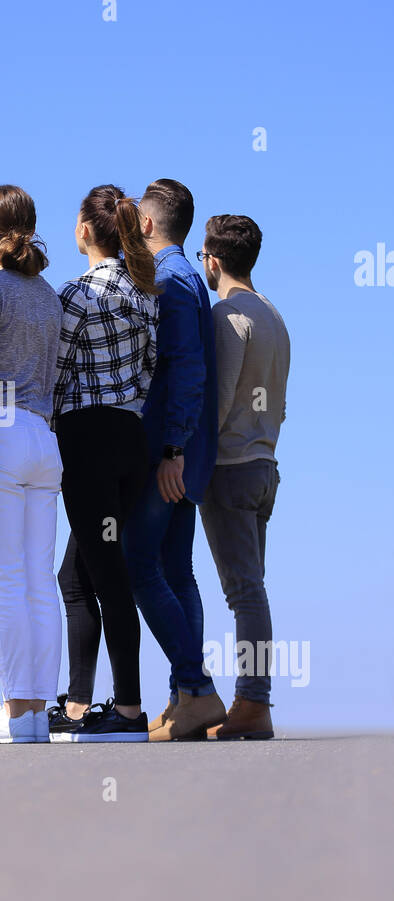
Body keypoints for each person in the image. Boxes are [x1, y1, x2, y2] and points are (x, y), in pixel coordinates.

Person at [48, 186, 158, 742]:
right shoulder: (145, 292)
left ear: (85, 231)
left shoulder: (74, 295)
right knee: (78, 574)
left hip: (87, 438)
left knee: (108, 577)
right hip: (131, 438)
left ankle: (130, 711)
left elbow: (56, 372)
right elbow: (149, 369)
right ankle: (77, 705)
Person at [121, 178, 227, 742]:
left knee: (140, 565)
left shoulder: (169, 280)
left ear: (146, 224)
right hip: (186, 451)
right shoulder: (187, 275)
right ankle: (183, 699)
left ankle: (198, 688)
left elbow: (186, 369)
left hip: (170, 451)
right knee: (177, 570)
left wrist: (171, 451)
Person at [0, 186, 64, 744]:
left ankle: (14, 708)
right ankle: (36, 713)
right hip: (43, 439)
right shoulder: (49, 297)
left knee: (3, 580)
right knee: (37, 580)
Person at [198, 215, 290, 739]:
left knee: (244, 592)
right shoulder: (273, 315)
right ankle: (253, 702)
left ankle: (253, 704)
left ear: (213, 259)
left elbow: (219, 401)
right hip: (265, 465)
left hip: (231, 470)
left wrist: (184, 461)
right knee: (252, 588)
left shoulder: (228, 316)